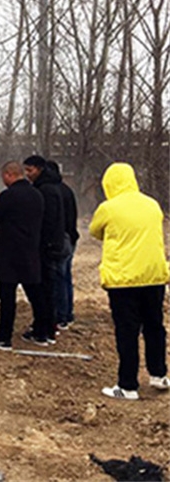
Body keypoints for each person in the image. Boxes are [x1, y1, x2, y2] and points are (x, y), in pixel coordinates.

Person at [90, 162, 170, 400]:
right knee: (155, 327)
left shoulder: (108, 208)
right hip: (154, 276)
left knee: (127, 331)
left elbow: (95, 231)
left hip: (123, 280)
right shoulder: (152, 204)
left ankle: (128, 386)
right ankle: (159, 375)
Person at [0, 160, 46, 350]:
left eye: (4, 177)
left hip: (9, 254)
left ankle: (4, 338)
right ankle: (42, 333)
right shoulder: (37, 194)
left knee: (7, 297)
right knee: (35, 295)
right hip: (30, 252)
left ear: (10, 175)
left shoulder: (9, 196)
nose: (4, 180)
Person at [23, 154, 67, 343]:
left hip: (45, 247)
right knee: (48, 288)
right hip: (52, 244)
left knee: (41, 289)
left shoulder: (45, 190)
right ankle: (48, 328)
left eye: (30, 170)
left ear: (40, 169)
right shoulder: (53, 187)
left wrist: (40, 243)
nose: (27, 174)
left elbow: (46, 220)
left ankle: (42, 330)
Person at [47, 160, 79, 329]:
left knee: (58, 279)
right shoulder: (67, 189)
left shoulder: (53, 191)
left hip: (61, 241)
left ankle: (60, 316)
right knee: (65, 277)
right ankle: (67, 314)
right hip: (71, 239)